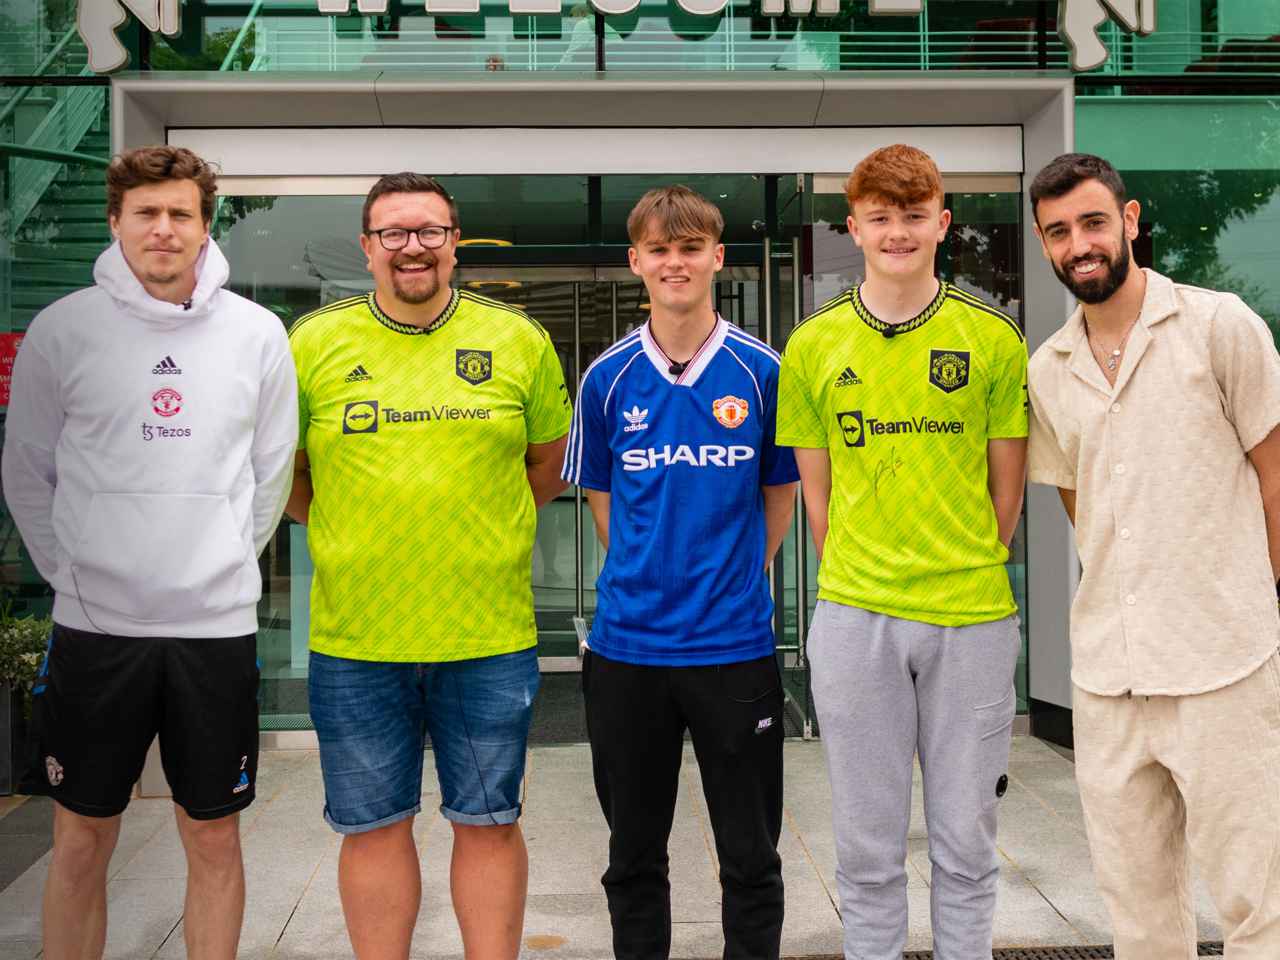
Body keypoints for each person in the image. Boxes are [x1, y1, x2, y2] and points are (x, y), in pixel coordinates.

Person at [2, 145, 298, 960]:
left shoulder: (257, 334)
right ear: (115, 221)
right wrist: (78, 577)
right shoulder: (63, 331)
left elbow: (270, 475)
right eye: (147, 213)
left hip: (215, 630)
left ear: (205, 228)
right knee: (80, 840)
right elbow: (27, 472)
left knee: (214, 840)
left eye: (181, 214)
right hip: (96, 629)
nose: (163, 230)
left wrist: (223, 566)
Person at [285, 172, 572, 960]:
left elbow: (545, 466)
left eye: (430, 231)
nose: (413, 247)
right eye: (394, 233)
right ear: (367, 247)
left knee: (489, 822)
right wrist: (358, 526)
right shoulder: (312, 344)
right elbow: (289, 476)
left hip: (485, 634)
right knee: (372, 827)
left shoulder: (518, 339)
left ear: (455, 243)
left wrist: (477, 526)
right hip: (355, 639)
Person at [776, 144, 1028, 960]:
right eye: (880, 217)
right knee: (867, 848)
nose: (897, 233)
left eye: (914, 217)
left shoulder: (991, 338)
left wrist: (953, 559)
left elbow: (1007, 498)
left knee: (965, 844)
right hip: (856, 619)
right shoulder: (812, 347)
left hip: (972, 619)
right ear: (853, 226)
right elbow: (819, 501)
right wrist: (867, 572)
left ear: (942, 223)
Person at [1026, 152, 1280, 958]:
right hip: (1110, 678)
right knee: (1136, 912)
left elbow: (1276, 478)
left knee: (1256, 901)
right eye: (1059, 232)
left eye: (1093, 222)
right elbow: (1086, 512)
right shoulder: (1049, 370)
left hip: (1223, 666)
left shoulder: (1219, 326)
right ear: (1044, 245)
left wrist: (1244, 593)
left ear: (1130, 220)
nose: (1080, 244)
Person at [563, 185, 799, 960]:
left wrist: (731, 579)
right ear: (636, 262)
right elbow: (601, 496)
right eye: (660, 249)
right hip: (629, 654)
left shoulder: (762, 370)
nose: (676, 262)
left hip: (735, 650)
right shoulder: (606, 378)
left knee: (751, 858)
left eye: (691, 247)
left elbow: (779, 493)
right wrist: (649, 567)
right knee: (632, 859)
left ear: (717, 257)